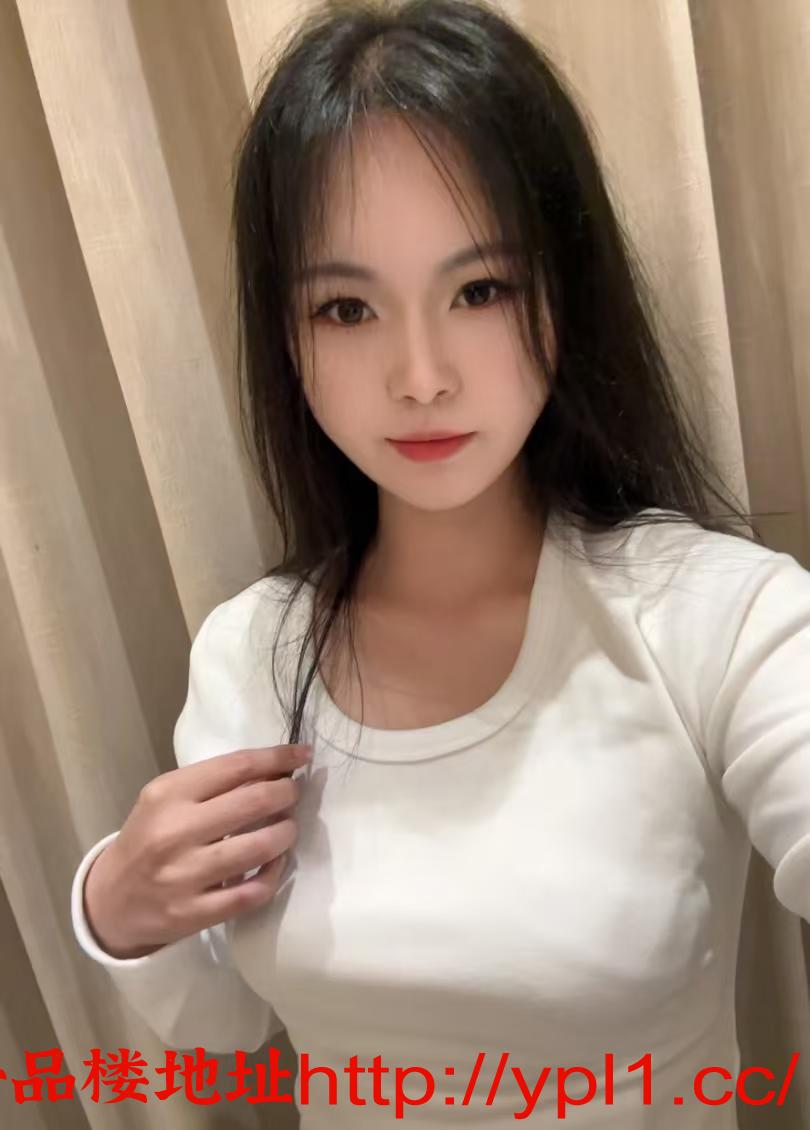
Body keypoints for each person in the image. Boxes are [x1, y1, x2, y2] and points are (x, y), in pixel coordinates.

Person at [70, 1, 810, 1126]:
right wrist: (116, 906)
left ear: (563, 294)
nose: (420, 375)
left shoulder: (717, 615)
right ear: (287, 337)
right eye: (347, 307)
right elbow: (222, 1027)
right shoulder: (253, 651)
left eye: (480, 290)